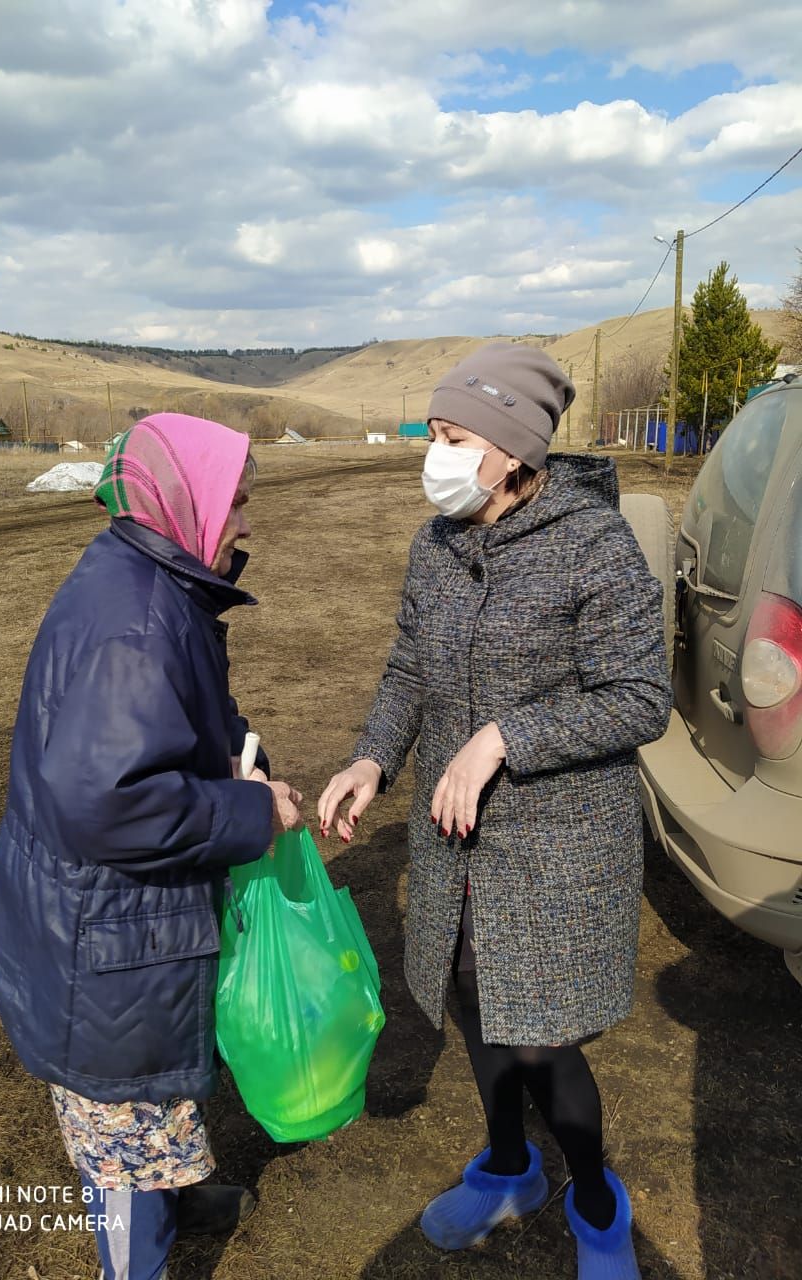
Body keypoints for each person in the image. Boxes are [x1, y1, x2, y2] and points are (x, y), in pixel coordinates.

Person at [319, 345, 672, 1280]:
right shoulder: (436, 544)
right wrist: (371, 757)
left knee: (539, 1035)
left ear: (514, 450)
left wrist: (504, 737)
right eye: (432, 436)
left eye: (454, 437)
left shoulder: (594, 544)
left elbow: (640, 696)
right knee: (475, 1008)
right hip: (454, 841)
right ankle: (510, 1166)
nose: (434, 456)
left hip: (556, 850)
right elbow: (408, 671)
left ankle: (596, 1199)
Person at [0, 414, 302, 1280]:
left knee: (151, 1099)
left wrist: (240, 755)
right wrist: (248, 814)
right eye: (235, 501)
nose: (245, 522)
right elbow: (111, 802)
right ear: (186, 498)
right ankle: (138, 1262)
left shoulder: (153, 576)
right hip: (104, 938)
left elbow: (168, 724)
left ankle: (183, 1193)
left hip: (110, 926)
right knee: (122, 1129)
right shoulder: (137, 621)